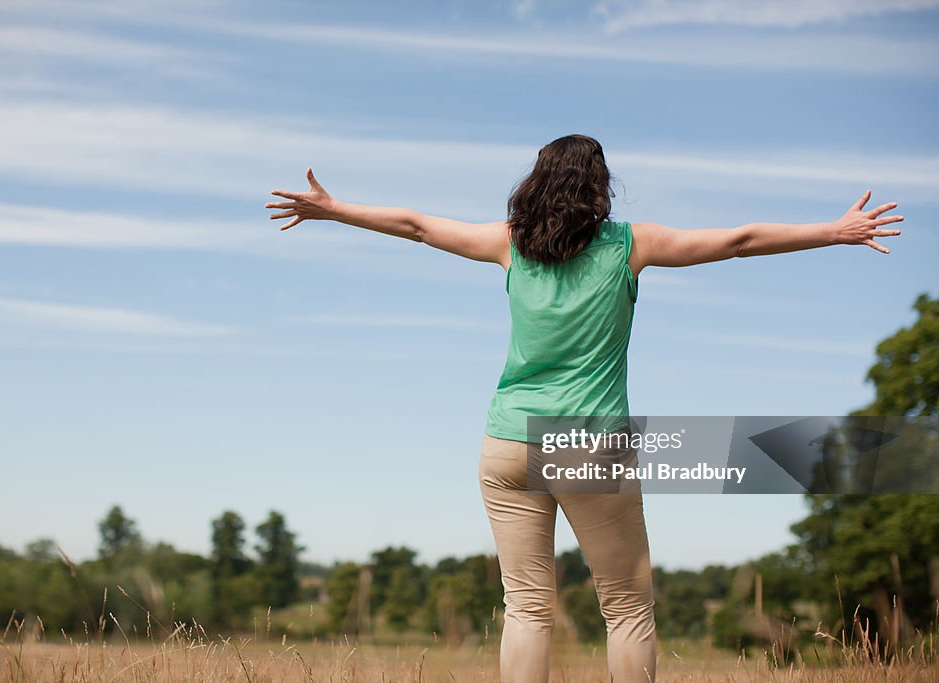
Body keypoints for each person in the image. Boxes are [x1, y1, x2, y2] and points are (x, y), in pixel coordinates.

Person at [264, 134, 902, 682]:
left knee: (526, 607)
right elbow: (736, 239)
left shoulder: (510, 244)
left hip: (507, 443)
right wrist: (834, 232)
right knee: (626, 607)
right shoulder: (629, 244)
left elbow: (416, 225)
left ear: (536, 184)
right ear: (600, 189)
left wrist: (335, 209)